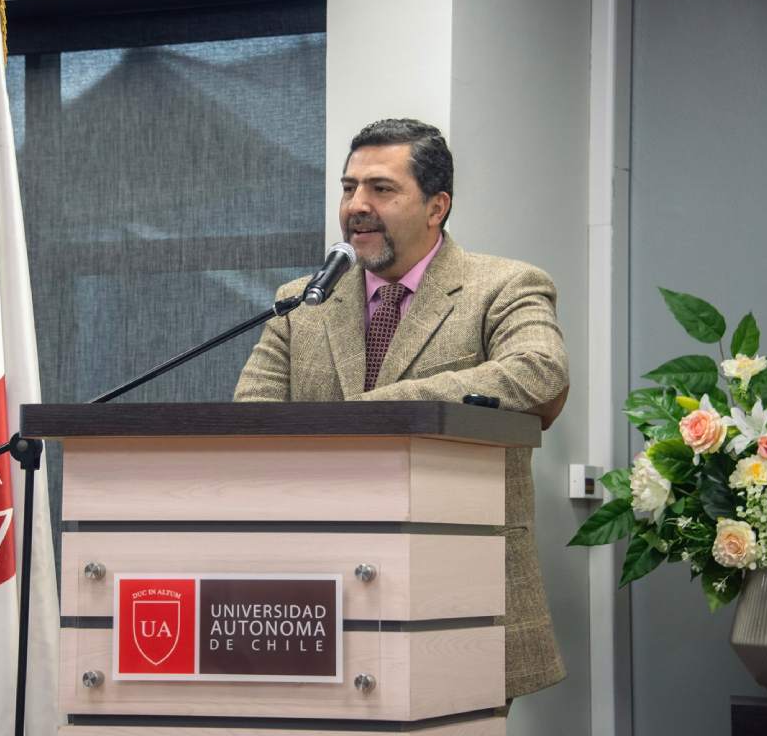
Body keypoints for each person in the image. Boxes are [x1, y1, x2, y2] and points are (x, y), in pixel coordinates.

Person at [234, 118, 570, 703]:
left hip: (456, 588)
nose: (356, 205)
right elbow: (252, 417)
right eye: (348, 187)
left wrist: (378, 408)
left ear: (436, 206)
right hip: (317, 588)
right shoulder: (303, 299)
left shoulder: (504, 285)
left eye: (381, 189)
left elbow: (540, 370)